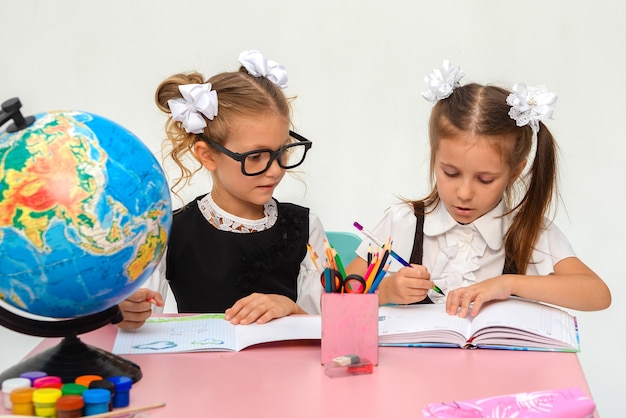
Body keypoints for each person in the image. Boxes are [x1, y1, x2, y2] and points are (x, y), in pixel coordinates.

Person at [346, 61, 611, 317]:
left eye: (485, 179)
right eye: (450, 173)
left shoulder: (530, 232)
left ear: (514, 172)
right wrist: (386, 291)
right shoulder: (402, 222)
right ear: (435, 156)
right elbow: (337, 296)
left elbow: (597, 294)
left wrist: (509, 284)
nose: (464, 193)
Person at [118, 50, 326, 329]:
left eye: (283, 151)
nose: (275, 170)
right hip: (200, 371)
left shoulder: (305, 227)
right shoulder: (171, 230)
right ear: (207, 155)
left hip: (284, 372)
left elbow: (324, 328)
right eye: (255, 157)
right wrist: (126, 313)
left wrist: (291, 309)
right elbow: (140, 322)